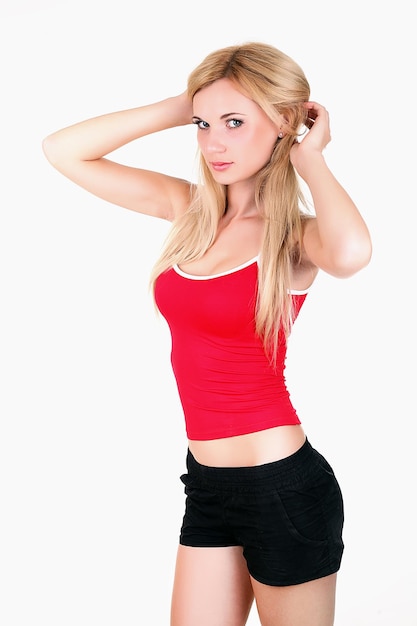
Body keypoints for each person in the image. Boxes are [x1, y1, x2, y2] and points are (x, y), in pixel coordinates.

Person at [42, 41, 372, 626]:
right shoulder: (190, 210)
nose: (213, 142)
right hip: (208, 486)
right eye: (203, 124)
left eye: (235, 122)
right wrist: (182, 104)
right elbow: (64, 151)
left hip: (283, 488)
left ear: (284, 125)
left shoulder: (293, 236)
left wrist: (311, 158)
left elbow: (351, 253)